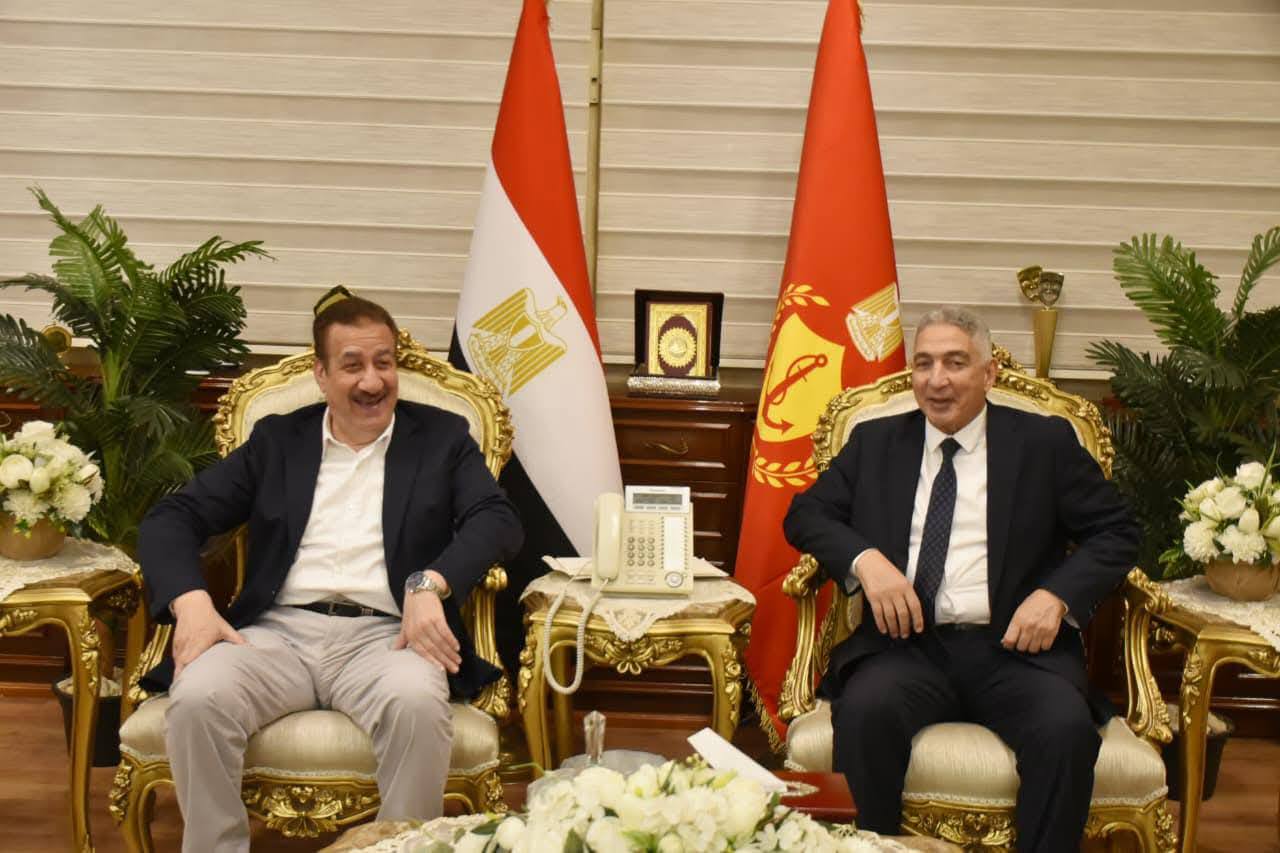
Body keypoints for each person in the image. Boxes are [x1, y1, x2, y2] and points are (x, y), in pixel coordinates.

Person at [137, 291, 523, 852]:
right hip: (276, 635)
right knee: (197, 696)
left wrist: (428, 584)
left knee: (416, 703)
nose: (373, 381)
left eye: (384, 363)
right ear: (321, 375)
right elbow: (173, 517)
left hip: (386, 636)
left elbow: (498, 519)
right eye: (352, 365)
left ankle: (401, 849)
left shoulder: (441, 438)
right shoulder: (278, 440)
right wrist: (191, 600)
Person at [783, 306, 1139, 852]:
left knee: (1064, 730)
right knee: (866, 712)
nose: (937, 380)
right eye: (923, 364)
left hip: (1017, 652)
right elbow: (805, 515)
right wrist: (866, 562)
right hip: (906, 647)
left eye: (955, 363)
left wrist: (1057, 597)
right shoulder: (876, 443)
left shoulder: (1044, 444)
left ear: (988, 373)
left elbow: (1117, 531)